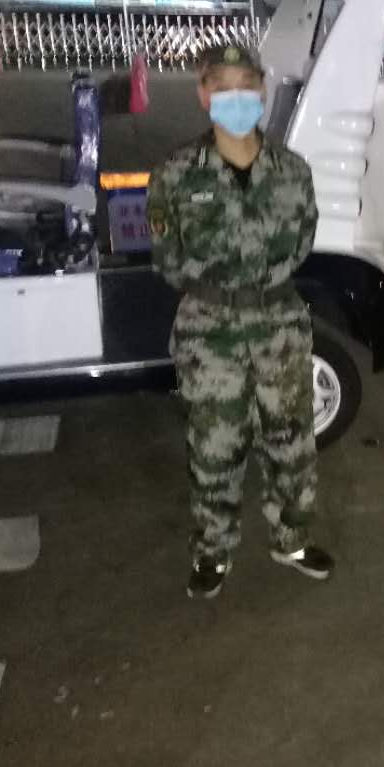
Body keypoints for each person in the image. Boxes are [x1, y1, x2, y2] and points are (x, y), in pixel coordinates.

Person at [147, 43, 333, 600]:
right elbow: (166, 258)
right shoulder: (177, 174)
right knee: (215, 447)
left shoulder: (292, 171)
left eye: (246, 86)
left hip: (279, 323)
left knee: (292, 441)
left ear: (262, 92)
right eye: (222, 87)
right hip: (209, 330)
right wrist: (221, 288)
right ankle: (213, 550)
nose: (236, 98)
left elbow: (302, 242)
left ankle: (292, 539)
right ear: (203, 94)